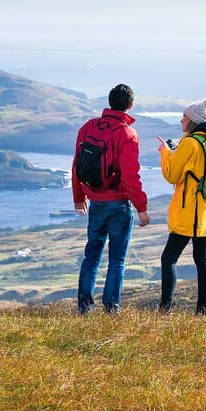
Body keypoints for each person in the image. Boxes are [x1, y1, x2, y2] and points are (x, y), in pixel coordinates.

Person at [73, 83, 150, 314]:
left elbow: (77, 164)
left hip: (95, 202)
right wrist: (141, 208)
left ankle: (84, 307)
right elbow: (130, 176)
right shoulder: (127, 134)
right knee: (117, 260)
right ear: (131, 105)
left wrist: (78, 197)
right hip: (118, 204)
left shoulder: (89, 127)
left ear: (109, 101)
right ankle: (111, 308)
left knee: (92, 256)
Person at [156, 96, 206, 315]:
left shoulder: (190, 143)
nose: (181, 121)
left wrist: (165, 153)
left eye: (184, 118)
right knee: (202, 260)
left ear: (193, 120)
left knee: (168, 259)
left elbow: (171, 175)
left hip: (188, 213)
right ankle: (202, 311)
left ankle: (165, 308)